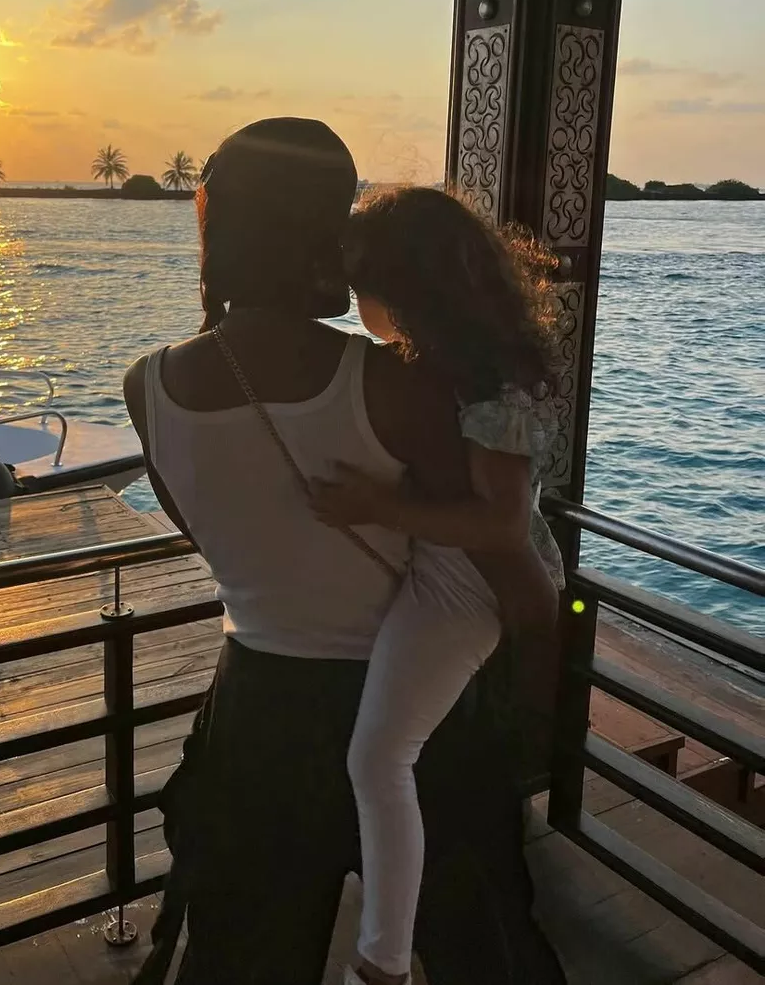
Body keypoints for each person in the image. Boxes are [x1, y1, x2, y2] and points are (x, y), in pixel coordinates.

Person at [123, 118, 566, 985]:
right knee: (484, 954)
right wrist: (534, 689)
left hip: (257, 713)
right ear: (335, 234)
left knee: (244, 961)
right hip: (423, 711)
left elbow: (210, 542)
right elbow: (513, 574)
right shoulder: (398, 384)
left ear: (212, 217)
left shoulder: (147, 387)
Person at [307, 186, 563, 985]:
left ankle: (382, 961)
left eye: (363, 285)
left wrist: (374, 505)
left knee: (379, 757)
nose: (357, 303)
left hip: (465, 584)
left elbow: (501, 526)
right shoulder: (454, 366)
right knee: (386, 754)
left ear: (408, 289)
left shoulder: (491, 389)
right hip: (449, 567)